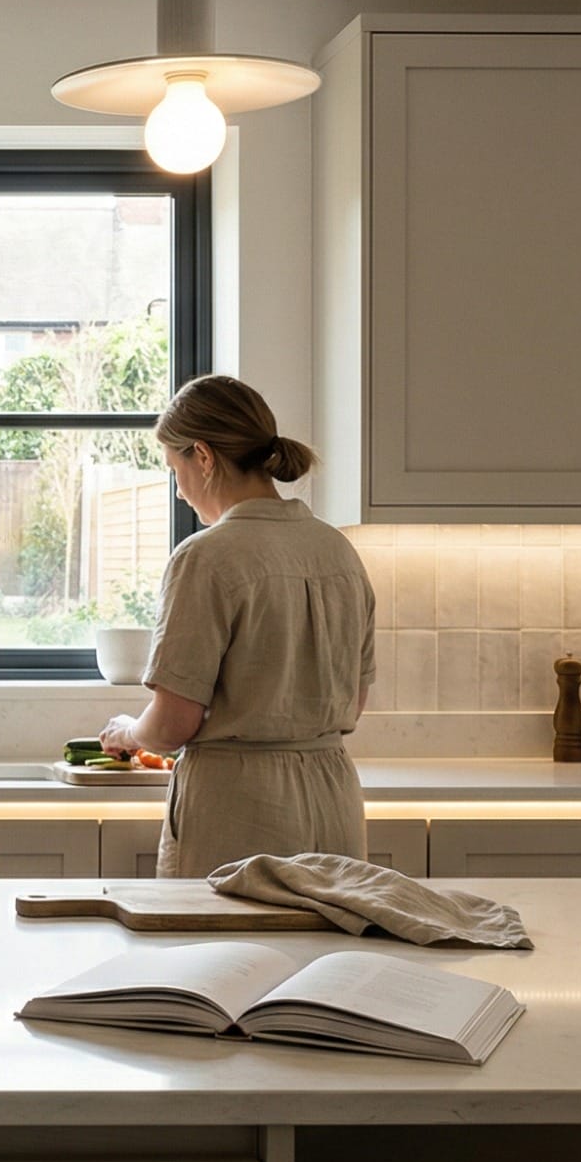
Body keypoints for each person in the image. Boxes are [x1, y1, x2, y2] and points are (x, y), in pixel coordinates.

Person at [99, 374, 376, 878]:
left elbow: (172, 725)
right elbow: (353, 702)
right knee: (322, 957)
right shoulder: (338, 550)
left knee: (229, 958)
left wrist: (127, 731)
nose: (180, 492)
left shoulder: (205, 558)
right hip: (334, 802)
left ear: (202, 457)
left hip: (240, 814)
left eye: (174, 469)